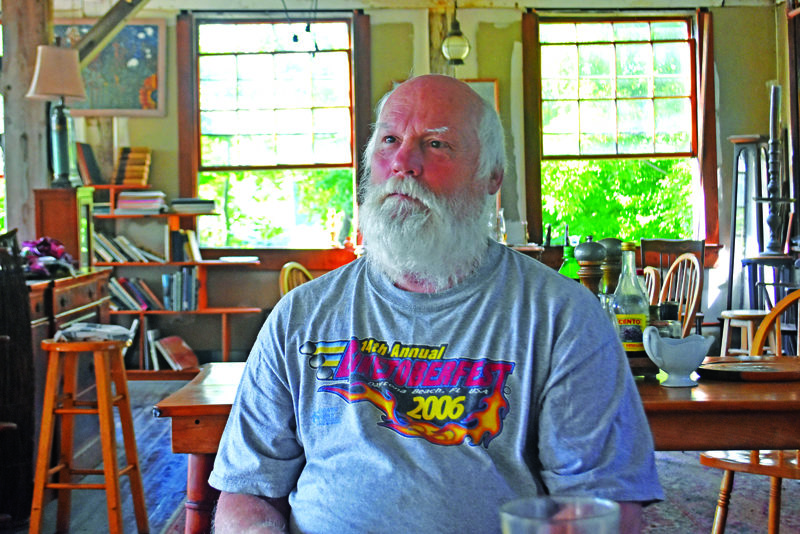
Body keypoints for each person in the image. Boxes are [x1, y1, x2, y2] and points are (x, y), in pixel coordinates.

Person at [209, 74, 663, 534]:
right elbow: (247, 491)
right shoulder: (299, 317)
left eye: (437, 145)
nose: (403, 162)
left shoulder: (562, 317)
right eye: (389, 140)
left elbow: (604, 505)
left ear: (492, 176)